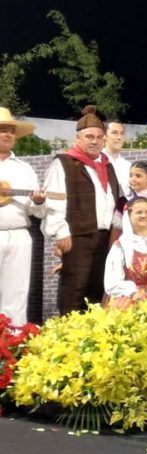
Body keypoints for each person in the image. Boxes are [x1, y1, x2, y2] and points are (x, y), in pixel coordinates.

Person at [43, 105, 122, 314]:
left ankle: (93, 339)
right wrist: (61, 231)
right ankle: (68, 338)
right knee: (75, 289)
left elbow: (116, 200)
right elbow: (55, 199)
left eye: (98, 137)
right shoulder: (64, 163)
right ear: (78, 138)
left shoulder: (107, 165)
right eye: (89, 136)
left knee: (97, 290)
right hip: (77, 237)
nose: (95, 141)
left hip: (104, 238)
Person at [0, 108, 45, 325]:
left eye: (11, 131)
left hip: (19, 234)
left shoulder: (25, 169)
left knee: (17, 292)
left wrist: (37, 201)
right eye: (2, 130)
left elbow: (36, 211)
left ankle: (13, 347)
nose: (8, 135)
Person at [103, 196, 147, 304]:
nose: (144, 215)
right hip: (135, 300)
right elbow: (112, 281)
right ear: (129, 216)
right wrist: (133, 293)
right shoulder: (121, 246)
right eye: (139, 212)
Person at [103, 120, 131, 196]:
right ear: (104, 136)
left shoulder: (127, 165)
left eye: (122, 133)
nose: (119, 137)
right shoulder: (97, 161)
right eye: (114, 133)